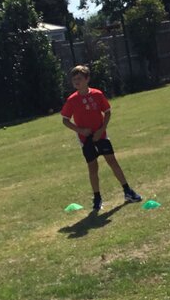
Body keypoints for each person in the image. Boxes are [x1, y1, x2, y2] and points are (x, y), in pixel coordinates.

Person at [59, 65, 143, 213]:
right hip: (86, 139)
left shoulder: (97, 94)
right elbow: (65, 120)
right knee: (93, 167)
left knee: (112, 162)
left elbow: (107, 112)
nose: (76, 82)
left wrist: (101, 130)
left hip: (101, 135)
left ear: (87, 79)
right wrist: (80, 130)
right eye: (74, 80)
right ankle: (97, 198)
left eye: (79, 79)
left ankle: (127, 191)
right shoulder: (72, 100)